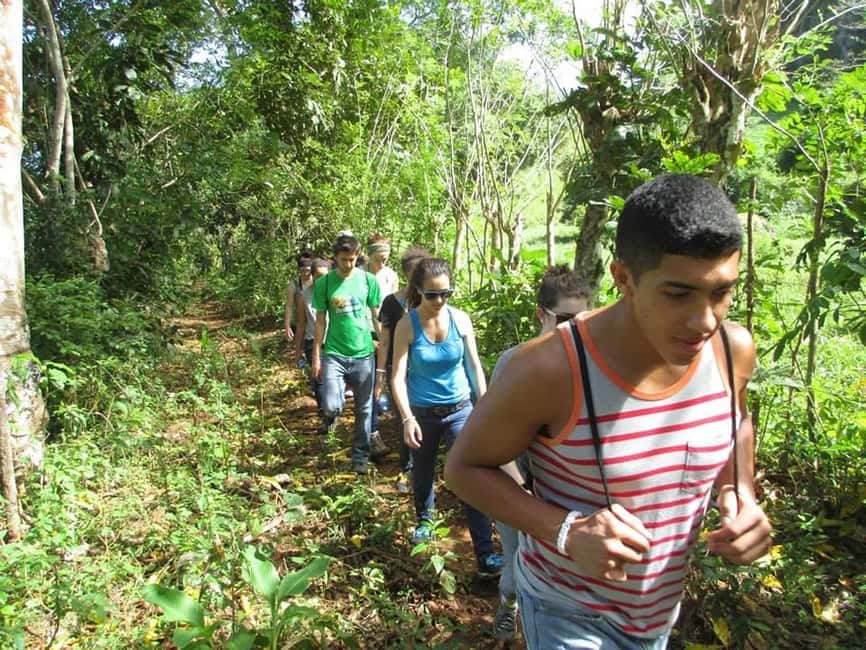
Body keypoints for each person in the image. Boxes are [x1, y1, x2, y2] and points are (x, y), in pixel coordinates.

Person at [445, 174, 772, 648]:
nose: (705, 319)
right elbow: (465, 468)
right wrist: (566, 532)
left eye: (721, 293)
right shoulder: (551, 369)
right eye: (679, 294)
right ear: (624, 278)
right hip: (567, 612)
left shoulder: (731, 350)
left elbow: (735, 422)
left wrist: (739, 493)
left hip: (657, 617)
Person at [490, 265, 590, 642]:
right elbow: (490, 444)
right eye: (564, 319)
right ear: (541, 315)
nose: (573, 330)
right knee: (517, 567)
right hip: (518, 484)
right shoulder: (514, 363)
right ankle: (508, 603)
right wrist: (520, 492)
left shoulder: (591, 365)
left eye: (584, 321)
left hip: (566, 495)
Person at [390, 257, 503, 578]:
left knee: (471, 478)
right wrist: (407, 418)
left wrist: (484, 406)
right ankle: (425, 523)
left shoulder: (461, 320)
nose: (439, 301)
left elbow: (474, 367)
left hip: (460, 410)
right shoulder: (406, 325)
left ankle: (485, 554)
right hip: (422, 413)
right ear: (418, 292)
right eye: (432, 295)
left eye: (446, 294)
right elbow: (397, 377)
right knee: (422, 472)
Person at [312, 234, 382, 474]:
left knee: (365, 409)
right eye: (344, 260)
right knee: (331, 404)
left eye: (352, 259)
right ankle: (333, 415)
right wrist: (316, 356)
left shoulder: (368, 281)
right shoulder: (325, 284)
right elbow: (320, 322)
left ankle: (360, 456)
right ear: (335, 258)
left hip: (363, 353)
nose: (348, 264)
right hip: (334, 352)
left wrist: (383, 343)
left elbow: (376, 315)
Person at [375, 246, 431, 493]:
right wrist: (379, 374)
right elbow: (384, 340)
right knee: (404, 418)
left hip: (425, 372)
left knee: (426, 419)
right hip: (398, 372)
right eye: (413, 272)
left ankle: (425, 468)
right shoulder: (391, 303)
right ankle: (408, 467)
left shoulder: (433, 302)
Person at [294, 257, 330, 412]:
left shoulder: (336, 292)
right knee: (319, 379)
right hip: (312, 342)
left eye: (325, 276)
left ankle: (332, 408)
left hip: (334, 341)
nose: (322, 280)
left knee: (332, 379)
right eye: (319, 276)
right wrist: (297, 351)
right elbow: (301, 324)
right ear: (313, 276)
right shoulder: (304, 296)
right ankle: (326, 415)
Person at [284, 251, 314, 344]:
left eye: (308, 270)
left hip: (315, 320)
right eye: (302, 271)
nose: (305, 273)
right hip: (300, 322)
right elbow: (289, 306)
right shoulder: (294, 285)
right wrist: (287, 325)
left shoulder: (317, 282)